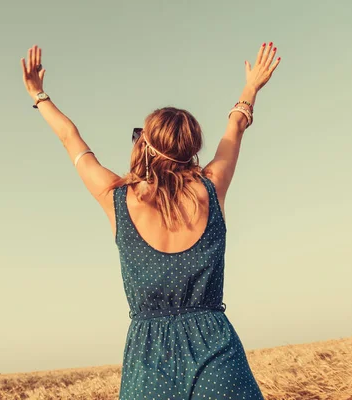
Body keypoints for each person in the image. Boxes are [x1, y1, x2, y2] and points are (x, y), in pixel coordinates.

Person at [20, 42, 280, 399]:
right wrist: (251, 87)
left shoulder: (117, 199)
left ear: (145, 146)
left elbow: (70, 138)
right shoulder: (212, 187)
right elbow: (236, 127)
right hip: (217, 350)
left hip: (150, 361)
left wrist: (39, 94)